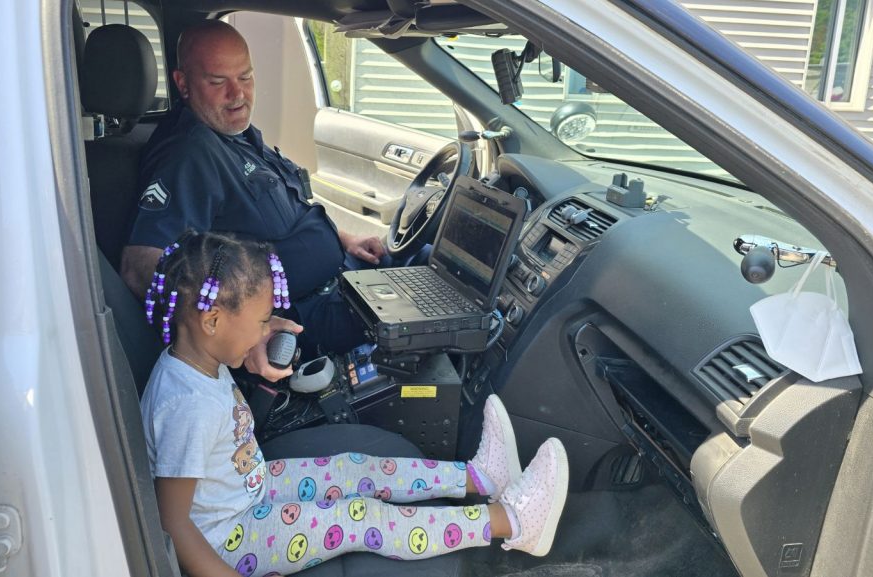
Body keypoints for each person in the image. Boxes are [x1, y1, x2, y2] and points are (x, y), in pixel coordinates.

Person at [140, 231, 569, 577]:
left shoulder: (200, 362)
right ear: (212, 321)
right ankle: (511, 522)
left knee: (356, 468)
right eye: (261, 321)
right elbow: (174, 523)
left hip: (251, 487)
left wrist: (258, 339)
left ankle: (479, 476)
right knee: (364, 518)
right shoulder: (187, 407)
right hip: (235, 538)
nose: (267, 330)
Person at [122, 19, 399, 363]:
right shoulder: (189, 153)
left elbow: (285, 208)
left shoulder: (232, 133)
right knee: (433, 319)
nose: (237, 94)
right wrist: (240, 335)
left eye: (246, 77)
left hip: (341, 275)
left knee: (424, 275)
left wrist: (345, 239)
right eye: (218, 81)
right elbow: (141, 266)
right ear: (183, 83)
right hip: (304, 320)